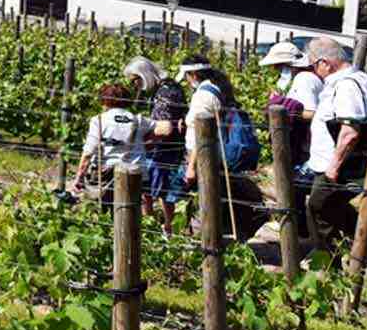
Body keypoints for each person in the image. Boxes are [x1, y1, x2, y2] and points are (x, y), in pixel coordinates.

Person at [178, 57, 268, 240]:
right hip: (214, 153)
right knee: (215, 194)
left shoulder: (203, 96)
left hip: (204, 155)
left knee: (205, 196)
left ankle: (204, 238)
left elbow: (201, 134)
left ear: (193, 74)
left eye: (187, 76)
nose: (187, 82)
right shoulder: (217, 88)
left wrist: (191, 166)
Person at [303, 37, 367, 253]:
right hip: (354, 163)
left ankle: (328, 267)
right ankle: (360, 252)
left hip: (342, 166)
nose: (314, 71)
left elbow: (350, 132)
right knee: (333, 209)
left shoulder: (346, 86)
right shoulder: (364, 79)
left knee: (317, 208)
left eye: (314, 64)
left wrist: (333, 168)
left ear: (325, 63)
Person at [73, 82, 174, 205]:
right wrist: (145, 141)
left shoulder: (99, 120)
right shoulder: (138, 120)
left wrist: (79, 177)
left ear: (105, 101)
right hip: (137, 173)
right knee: (132, 210)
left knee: (107, 211)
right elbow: (167, 128)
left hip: (108, 176)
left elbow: (89, 152)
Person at [260, 40, 321, 235]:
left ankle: (295, 231)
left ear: (287, 65)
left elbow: (312, 112)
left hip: (307, 146)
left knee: (294, 186)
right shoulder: (303, 78)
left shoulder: (304, 79)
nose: (276, 71)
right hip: (305, 144)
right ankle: (298, 229)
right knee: (296, 187)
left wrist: (282, 107)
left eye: (278, 67)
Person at [123, 57, 186, 235]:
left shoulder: (164, 93)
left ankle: (167, 229)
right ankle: (154, 226)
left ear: (145, 75)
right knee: (152, 188)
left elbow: (165, 128)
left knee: (162, 191)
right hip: (166, 148)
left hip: (164, 150)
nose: (135, 86)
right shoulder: (168, 87)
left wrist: (141, 143)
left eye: (136, 80)